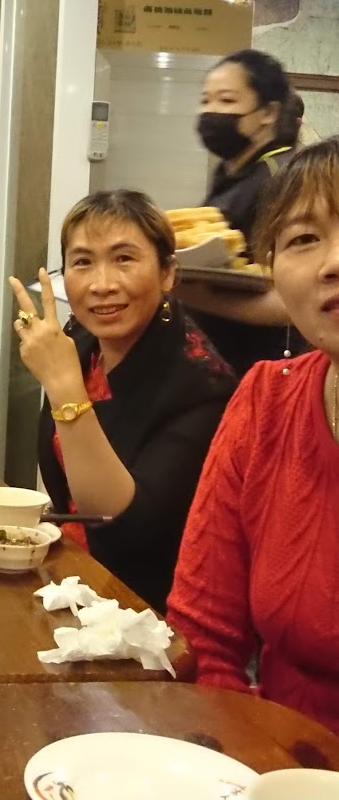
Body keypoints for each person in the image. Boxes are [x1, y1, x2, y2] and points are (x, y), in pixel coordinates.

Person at [168, 138, 339, 734]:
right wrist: (249, 757)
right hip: (280, 756)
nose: (332, 262)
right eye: (303, 238)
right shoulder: (267, 400)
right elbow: (204, 633)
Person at [10, 190, 236, 611]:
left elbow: (126, 530)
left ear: (167, 272)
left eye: (124, 258)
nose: (102, 285)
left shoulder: (203, 383)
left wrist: (63, 387)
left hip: (144, 611)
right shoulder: (82, 341)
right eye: (82, 262)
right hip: (70, 578)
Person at [176, 49, 300, 376]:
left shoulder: (284, 177)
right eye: (205, 100)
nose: (211, 112)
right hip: (219, 362)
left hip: (262, 367)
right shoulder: (231, 172)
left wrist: (189, 295)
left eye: (227, 100)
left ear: (268, 112)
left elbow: (292, 303)